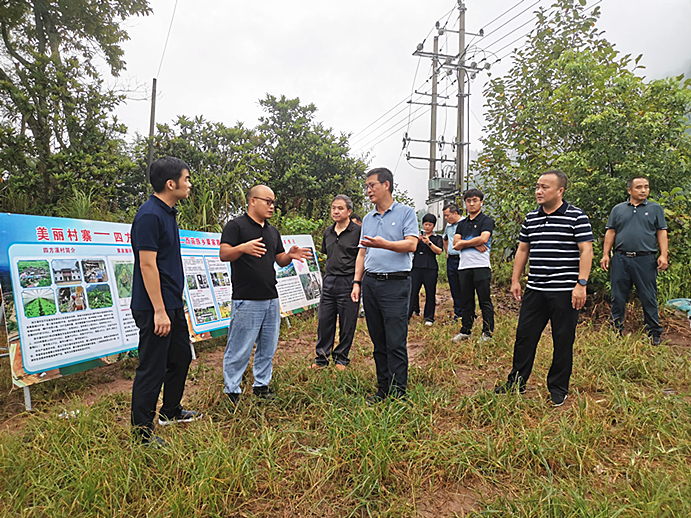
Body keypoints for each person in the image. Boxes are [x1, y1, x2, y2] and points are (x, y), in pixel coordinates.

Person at [495, 170, 593, 407]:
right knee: (525, 337)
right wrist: (515, 280)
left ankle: (558, 388)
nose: (539, 191)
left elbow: (586, 251)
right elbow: (522, 250)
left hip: (564, 290)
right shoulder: (531, 218)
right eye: (537, 186)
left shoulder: (576, 217)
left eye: (545, 187)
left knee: (562, 339)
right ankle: (516, 382)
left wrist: (581, 284)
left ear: (560, 191)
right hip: (535, 289)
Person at [130, 156, 200, 446]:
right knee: (152, 367)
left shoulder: (167, 213)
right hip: (153, 307)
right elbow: (147, 266)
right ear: (170, 184)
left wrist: (172, 305)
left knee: (181, 355)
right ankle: (142, 433)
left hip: (170, 302)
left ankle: (170, 411)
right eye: (186, 179)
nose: (189, 184)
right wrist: (159, 311)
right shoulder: (149, 216)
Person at [220, 185, 311, 404]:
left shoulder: (272, 231)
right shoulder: (236, 226)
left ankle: (261, 385)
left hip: (271, 297)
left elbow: (279, 259)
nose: (272, 206)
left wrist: (290, 255)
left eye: (273, 202)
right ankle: (232, 390)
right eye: (267, 201)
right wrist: (242, 248)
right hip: (246, 298)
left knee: (267, 347)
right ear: (252, 201)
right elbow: (224, 254)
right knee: (240, 347)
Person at [351, 167, 418, 402]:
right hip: (371, 284)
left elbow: (411, 245)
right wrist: (357, 282)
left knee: (395, 340)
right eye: (367, 186)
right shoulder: (367, 219)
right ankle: (383, 389)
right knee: (378, 340)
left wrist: (385, 244)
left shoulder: (406, 213)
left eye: (372, 185)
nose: (368, 190)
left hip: (396, 285)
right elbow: (362, 254)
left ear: (386, 185)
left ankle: (399, 392)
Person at [601, 176, 668, 345]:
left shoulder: (655, 209)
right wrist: (605, 254)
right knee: (618, 296)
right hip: (621, 258)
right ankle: (615, 331)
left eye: (646, 187)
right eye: (639, 187)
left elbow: (661, 232)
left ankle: (654, 333)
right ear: (630, 190)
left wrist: (663, 254)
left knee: (648, 297)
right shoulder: (618, 209)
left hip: (645, 259)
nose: (643, 190)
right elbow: (611, 232)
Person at [312, 195, 361, 370]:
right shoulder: (328, 232)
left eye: (340, 208)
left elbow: (361, 259)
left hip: (349, 281)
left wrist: (357, 282)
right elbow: (328, 255)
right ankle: (321, 358)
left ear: (349, 211)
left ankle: (341, 359)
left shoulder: (357, 232)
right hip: (329, 280)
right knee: (325, 320)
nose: (336, 211)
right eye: (333, 208)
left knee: (347, 322)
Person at [452, 188, 495, 340]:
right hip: (464, 267)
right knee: (466, 300)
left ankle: (487, 332)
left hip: (481, 266)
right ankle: (465, 331)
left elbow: (483, 239)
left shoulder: (486, 221)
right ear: (465, 204)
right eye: (468, 201)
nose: (471, 204)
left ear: (481, 202)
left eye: (475, 200)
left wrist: (464, 243)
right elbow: (455, 244)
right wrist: (472, 243)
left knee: (485, 300)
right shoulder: (461, 224)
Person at [408, 213, 443, 325]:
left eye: (430, 225)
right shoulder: (416, 237)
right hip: (416, 267)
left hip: (430, 267)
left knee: (430, 292)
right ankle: (408, 315)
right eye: (425, 224)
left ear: (433, 226)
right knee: (412, 291)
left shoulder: (437, 238)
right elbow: (410, 249)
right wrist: (418, 240)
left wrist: (429, 243)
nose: (427, 227)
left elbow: (439, 251)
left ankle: (429, 317)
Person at [442, 203, 464, 320]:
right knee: (454, 286)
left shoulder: (465, 223)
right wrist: (447, 251)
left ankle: (468, 313)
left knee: (464, 286)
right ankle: (458, 313)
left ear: (455, 213)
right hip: (452, 259)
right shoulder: (448, 227)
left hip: (463, 259)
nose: (446, 218)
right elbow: (445, 239)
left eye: (447, 215)